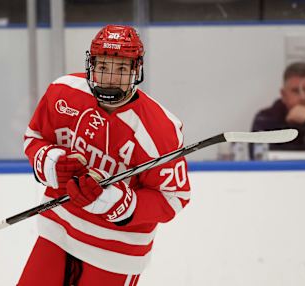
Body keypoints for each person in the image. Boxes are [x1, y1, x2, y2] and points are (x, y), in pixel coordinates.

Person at [18, 25, 191, 286]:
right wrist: (50, 162)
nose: (110, 78)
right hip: (58, 230)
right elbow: (35, 137)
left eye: (121, 69)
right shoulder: (63, 93)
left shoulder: (160, 130)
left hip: (116, 252)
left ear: (136, 70)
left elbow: (174, 197)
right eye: (103, 67)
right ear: (91, 65)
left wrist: (123, 203)